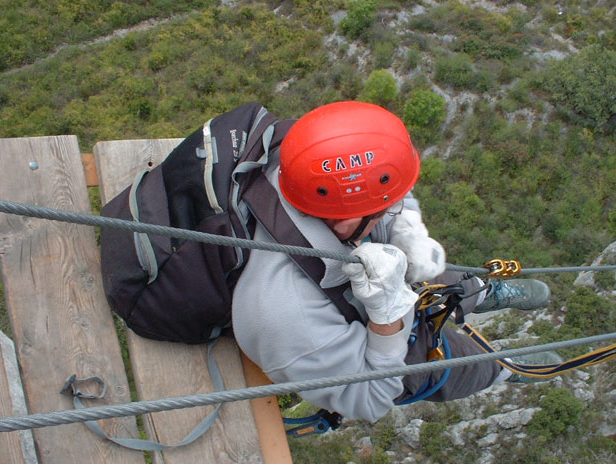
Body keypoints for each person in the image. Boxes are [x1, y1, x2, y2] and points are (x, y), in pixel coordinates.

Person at [232, 101, 555, 422]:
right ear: (348, 220)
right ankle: (501, 368)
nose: (392, 209)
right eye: (385, 212)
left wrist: (407, 229)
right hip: (362, 342)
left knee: (426, 267)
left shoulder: (301, 169)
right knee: (444, 364)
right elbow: (368, 400)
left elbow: (389, 188)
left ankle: (482, 293)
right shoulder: (285, 317)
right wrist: (386, 317)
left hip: (351, 269)